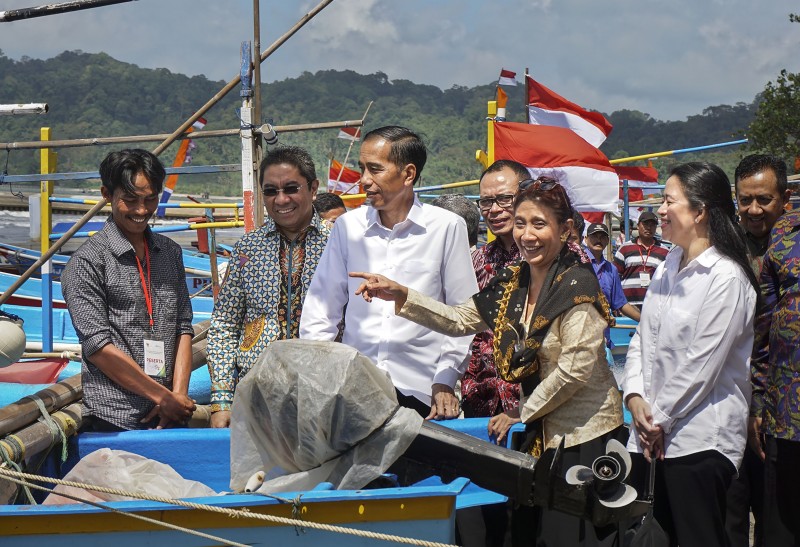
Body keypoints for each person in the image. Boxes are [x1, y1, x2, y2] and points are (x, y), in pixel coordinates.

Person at [351, 177, 624, 546]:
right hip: (540, 435)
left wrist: (522, 412)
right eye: (521, 223)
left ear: (565, 230)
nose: (527, 235)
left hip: (583, 435)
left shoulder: (578, 286)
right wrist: (401, 295)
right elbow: (460, 319)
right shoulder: (516, 281)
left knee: (569, 537)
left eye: (539, 224)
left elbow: (574, 371)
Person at [621, 162, 759, 547]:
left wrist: (657, 419)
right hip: (652, 435)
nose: (660, 210)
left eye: (669, 201)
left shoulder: (726, 278)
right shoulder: (668, 264)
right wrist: (634, 397)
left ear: (699, 211)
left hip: (699, 440)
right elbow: (642, 340)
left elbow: (702, 365)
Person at [300, 126, 478, 419]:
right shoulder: (348, 228)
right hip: (356, 391)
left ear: (408, 174)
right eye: (362, 168)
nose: (364, 180)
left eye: (375, 169)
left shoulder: (446, 227)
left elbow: (464, 314)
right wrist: (319, 378)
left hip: (422, 393)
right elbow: (321, 310)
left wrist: (445, 379)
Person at [62, 149, 196, 431]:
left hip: (169, 413)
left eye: (150, 199)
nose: (142, 210)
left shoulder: (169, 252)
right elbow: (98, 347)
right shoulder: (87, 263)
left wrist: (177, 397)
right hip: (114, 416)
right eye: (131, 200)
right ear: (107, 195)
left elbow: (183, 326)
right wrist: (163, 397)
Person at [206, 146, 330, 428]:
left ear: (313, 189)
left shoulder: (336, 244)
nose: (281, 199)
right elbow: (225, 324)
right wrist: (221, 401)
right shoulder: (248, 248)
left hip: (323, 394)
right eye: (271, 191)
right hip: (257, 395)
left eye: (291, 188)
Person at [726, 154, 791, 547]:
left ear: (785, 198)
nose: (753, 209)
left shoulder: (793, 251)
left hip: (782, 410)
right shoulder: (722, 250)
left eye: (764, 199)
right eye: (745, 199)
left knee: (777, 520)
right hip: (730, 403)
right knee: (730, 515)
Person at [749, 184, 799, 545]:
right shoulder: (783, 239)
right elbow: (762, 335)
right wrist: (758, 401)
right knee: (783, 524)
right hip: (788, 415)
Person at [466, 159, 529, 419]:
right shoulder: (477, 261)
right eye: (486, 202)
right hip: (481, 399)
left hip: (532, 403)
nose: (494, 210)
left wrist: (524, 408)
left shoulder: (550, 256)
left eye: (504, 199)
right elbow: (462, 322)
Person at [583, 223, 641, 329]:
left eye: (602, 237)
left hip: (602, 330)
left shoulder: (611, 269)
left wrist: (644, 320)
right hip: (580, 328)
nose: (598, 240)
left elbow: (620, 303)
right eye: (594, 236)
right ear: (586, 239)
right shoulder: (578, 263)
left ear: (607, 241)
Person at [614, 211, 669, 310]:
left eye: (652, 225)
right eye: (645, 224)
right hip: (628, 306)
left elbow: (667, 280)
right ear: (638, 226)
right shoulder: (624, 249)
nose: (649, 227)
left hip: (654, 306)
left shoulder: (665, 252)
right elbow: (615, 278)